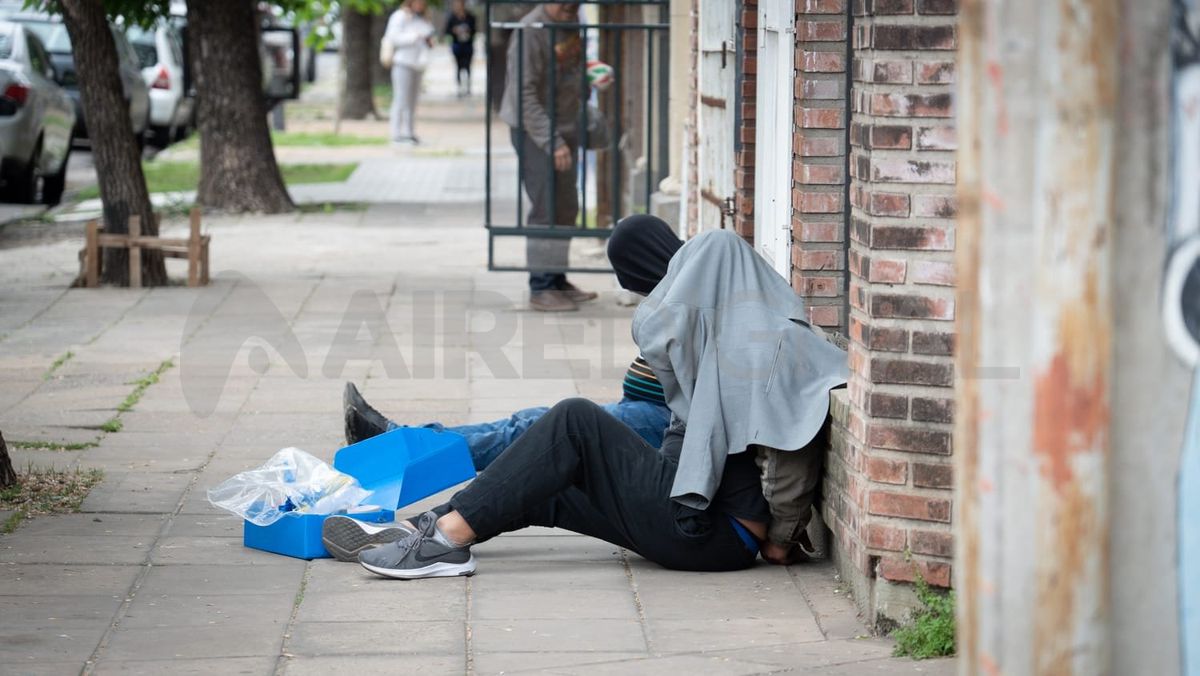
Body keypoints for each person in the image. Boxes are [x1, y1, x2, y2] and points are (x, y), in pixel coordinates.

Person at [323, 229, 850, 579]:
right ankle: (431, 528)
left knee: (573, 420)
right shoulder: (731, 333)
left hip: (713, 532)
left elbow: (794, 449)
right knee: (541, 477)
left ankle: (442, 540)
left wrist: (778, 540)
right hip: (688, 513)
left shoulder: (782, 346)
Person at [341, 215, 684, 471]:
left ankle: (399, 450)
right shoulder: (679, 291)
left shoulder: (690, 303)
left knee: (530, 432)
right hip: (651, 414)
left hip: (664, 423)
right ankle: (401, 441)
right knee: (526, 422)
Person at [499, 3, 596, 312]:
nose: (572, 7)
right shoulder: (532, 31)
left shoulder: (570, 23)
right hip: (535, 132)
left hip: (564, 125)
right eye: (565, 4)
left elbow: (572, 71)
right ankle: (541, 287)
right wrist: (552, 141)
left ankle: (556, 279)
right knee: (545, 207)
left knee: (567, 205)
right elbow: (523, 95)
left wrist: (590, 75)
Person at [383, 0, 436, 146]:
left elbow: (429, 35)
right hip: (403, 62)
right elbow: (393, 37)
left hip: (418, 63)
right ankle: (396, 133)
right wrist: (414, 37)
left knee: (412, 100)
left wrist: (428, 41)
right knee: (401, 98)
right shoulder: (400, 16)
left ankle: (409, 132)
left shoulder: (423, 18)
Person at [445, 0, 477, 97]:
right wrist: (454, 30)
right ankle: (459, 87)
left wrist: (468, 30)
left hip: (467, 45)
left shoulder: (470, 17)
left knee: (468, 66)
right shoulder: (452, 17)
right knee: (458, 67)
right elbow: (447, 30)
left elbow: (474, 29)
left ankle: (468, 87)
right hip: (457, 45)